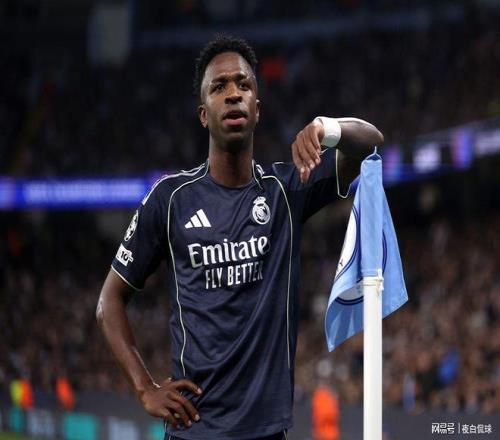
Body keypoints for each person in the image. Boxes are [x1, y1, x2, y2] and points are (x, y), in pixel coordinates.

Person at [96, 34, 383, 440]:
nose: (233, 94)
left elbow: (372, 145)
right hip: (193, 430)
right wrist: (145, 388)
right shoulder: (170, 199)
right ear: (203, 114)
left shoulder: (287, 191)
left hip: (267, 432)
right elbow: (108, 302)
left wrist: (328, 127)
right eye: (219, 87)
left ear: (257, 108)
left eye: (243, 85)